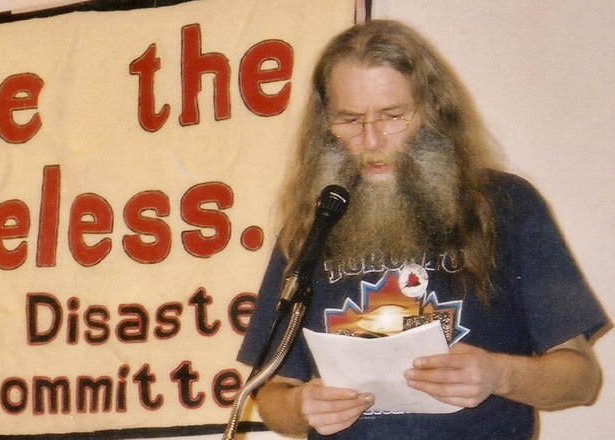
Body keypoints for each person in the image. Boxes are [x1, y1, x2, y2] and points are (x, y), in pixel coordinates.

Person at [236, 19, 608, 439]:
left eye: (393, 116)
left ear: (432, 109)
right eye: (350, 120)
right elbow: (270, 395)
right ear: (326, 124)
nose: (372, 140)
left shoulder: (507, 204)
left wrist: (500, 374)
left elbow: (582, 379)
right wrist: (300, 407)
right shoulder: (314, 222)